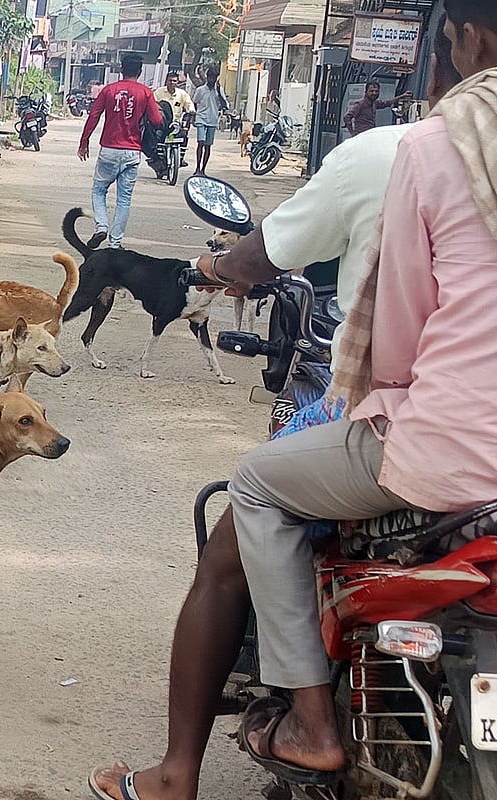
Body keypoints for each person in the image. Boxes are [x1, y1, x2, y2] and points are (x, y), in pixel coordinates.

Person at [87, 13, 470, 799]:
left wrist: (217, 267)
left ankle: (213, 761)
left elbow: (389, 338)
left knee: (252, 495)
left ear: (458, 49)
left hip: (435, 430)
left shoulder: (410, 154)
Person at [76, 53, 163, 250]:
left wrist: (84, 142)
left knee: (99, 190)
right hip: (132, 152)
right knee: (124, 199)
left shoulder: (108, 90)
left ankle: (101, 226)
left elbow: (93, 116)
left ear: (121, 70)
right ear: (140, 72)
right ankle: (115, 243)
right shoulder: (145, 92)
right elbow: (157, 121)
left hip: (109, 149)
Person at [191, 66, 227, 176]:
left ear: (216, 78)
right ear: (207, 77)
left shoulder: (219, 90)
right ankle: (197, 167)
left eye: (214, 78)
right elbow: (194, 102)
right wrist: (195, 116)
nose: (211, 80)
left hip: (213, 119)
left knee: (208, 145)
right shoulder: (200, 90)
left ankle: (203, 169)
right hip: (201, 118)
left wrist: (219, 92)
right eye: (210, 77)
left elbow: (224, 105)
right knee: (200, 142)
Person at [343, 80, 413, 136]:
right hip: (361, 134)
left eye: (376, 91)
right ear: (366, 92)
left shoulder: (374, 103)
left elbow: (387, 103)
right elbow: (347, 117)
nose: (374, 93)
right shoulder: (360, 103)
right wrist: (353, 133)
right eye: (371, 91)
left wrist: (402, 96)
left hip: (370, 134)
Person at [155, 71, 194, 167]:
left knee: (184, 135)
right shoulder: (159, 92)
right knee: (156, 137)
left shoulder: (182, 94)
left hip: (176, 123)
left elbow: (189, 104)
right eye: (170, 80)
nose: (172, 83)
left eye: (174, 81)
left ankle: (180, 158)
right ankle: (156, 158)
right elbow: (153, 104)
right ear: (166, 81)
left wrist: (191, 111)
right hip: (162, 122)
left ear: (177, 82)